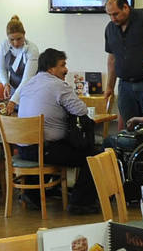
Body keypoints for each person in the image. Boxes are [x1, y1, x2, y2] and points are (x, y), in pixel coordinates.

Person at [14, 48, 101, 215]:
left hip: (23, 150)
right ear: (51, 68)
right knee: (94, 156)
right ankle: (80, 202)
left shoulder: (27, 84)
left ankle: (32, 194)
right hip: (45, 150)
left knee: (57, 144)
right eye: (62, 65)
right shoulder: (58, 85)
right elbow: (81, 110)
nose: (66, 69)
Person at [0, 15, 40, 104]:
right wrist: (5, 83)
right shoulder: (4, 45)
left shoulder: (32, 49)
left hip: (30, 90)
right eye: (11, 39)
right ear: (7, 37)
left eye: (19, 39)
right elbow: (2, 68)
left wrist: (13, 101)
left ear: (24, 34)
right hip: (13, 88)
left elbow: (27, 79)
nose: (16, 43)